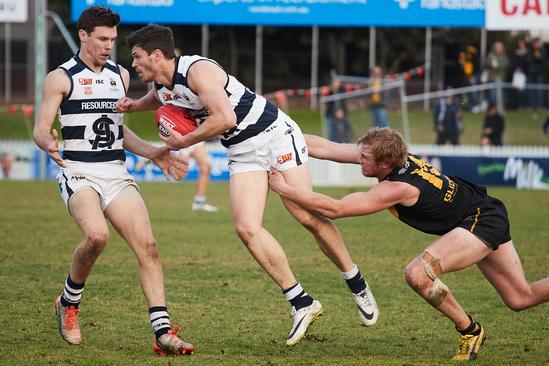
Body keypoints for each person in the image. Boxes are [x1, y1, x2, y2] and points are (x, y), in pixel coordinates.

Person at [267, 128, 549, 361]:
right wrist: (280, 134)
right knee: (520, 297)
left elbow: (336, 207)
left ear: (382, 163)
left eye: (363, 158)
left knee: (418, 273)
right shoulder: (388, 156)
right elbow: (327, 147)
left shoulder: (398, 186)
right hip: (483, 211)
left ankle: (469, 331)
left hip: (478, 220)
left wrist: (285, 188)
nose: (357, 159)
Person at [117, 24, 379, 346]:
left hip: (273, 135)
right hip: (242, 152)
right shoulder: (163, 86)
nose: (134, 64)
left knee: (306, 215)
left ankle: (356, 282)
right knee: (246, 227)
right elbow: (155, 99)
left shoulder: (198, 71)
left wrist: (183, 140)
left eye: (137, 57)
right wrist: (131, 105)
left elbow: (225, 118)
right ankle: (302, 302)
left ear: (157, 55)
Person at [31, 7, 194, 355]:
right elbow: (40, 128)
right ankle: (69, 302)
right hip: (79, 171)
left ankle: (163, 333)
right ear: (84, 36)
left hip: (115, 172)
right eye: (102, 39)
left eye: (113, 40)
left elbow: (118, 130)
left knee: (148, 248)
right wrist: (48, 142)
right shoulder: (60, 77)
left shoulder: (120, 75)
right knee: (96, 236)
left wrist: (152, 153)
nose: (109, 46)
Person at [181, 142, 219, 212]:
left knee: (206, 168)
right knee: (180, 174)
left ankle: (199, 202)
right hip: (182, 138)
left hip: (195, 139)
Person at [528, 38, 546, 110]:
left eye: (538, 43)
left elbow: (542, 59)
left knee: (539, 90)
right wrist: (535, 57)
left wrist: (535, 58)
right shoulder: (531, 50)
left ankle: (539, 106)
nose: (537, 44)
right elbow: (529, 58)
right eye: (536, 43)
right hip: (532, 73)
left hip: (540, 73)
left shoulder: (542, 50)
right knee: (532, 90)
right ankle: (532, 106)